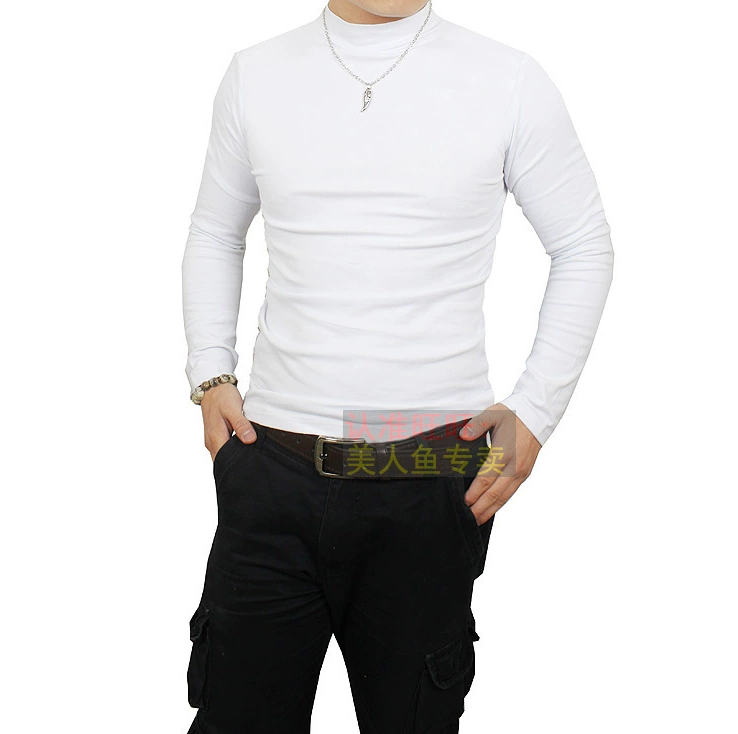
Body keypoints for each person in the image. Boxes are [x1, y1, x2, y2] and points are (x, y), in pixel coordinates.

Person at [180, 0, 614, 731]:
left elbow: (583, 245)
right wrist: (211, 372)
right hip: (273, 462)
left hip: (426, 471)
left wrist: (537, 410)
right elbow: (215, 231)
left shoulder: (508, 79)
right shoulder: (255, 74)